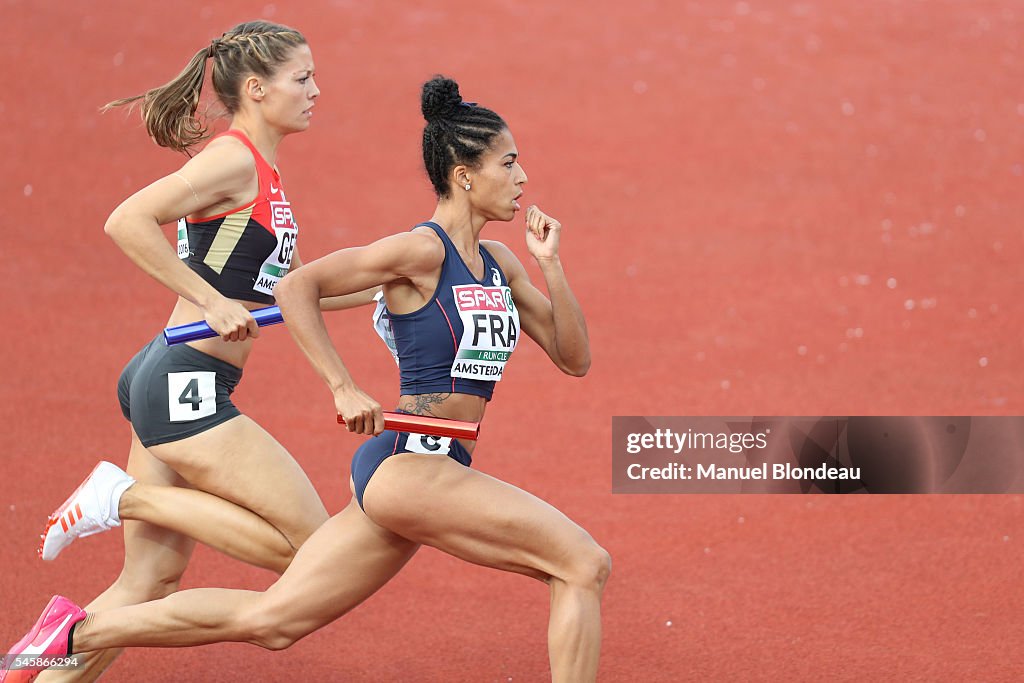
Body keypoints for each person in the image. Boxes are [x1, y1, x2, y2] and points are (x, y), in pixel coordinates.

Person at [3, 75, 610, 683]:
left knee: (275, 620)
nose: (523, 179)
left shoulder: (501, 264)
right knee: (582, 563)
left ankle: (73, 632)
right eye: (509, 163)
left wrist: (550, 265)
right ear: (465, 175)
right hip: (415, 468)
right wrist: (341, 385)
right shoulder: (420, 252)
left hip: (433, 464)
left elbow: (572, 356)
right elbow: (297, 286)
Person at [17, 20, 373, 683]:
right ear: (258, 89)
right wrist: (207, 299)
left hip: (169, 376)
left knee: (149, 580)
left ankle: (52, 655)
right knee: (316, 552)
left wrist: (380, 294)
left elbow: (279, 294)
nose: (316, 90)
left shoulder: (260, 169)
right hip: (187, 383)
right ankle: (124, 498)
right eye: (303, 79)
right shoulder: (232, 159)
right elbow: (126, 218)